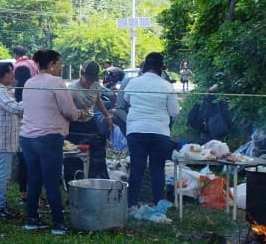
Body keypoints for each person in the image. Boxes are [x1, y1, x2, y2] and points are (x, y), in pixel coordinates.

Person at [20, 50, 86, 234]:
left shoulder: (29, 83)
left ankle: (32, 220)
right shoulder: (56, 82)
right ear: (50, 65)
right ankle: (58, 224)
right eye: (59, 64)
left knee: (34, 179)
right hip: (48, 137)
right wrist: (80, 113)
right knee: (51, 181)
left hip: (27, 138)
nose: (60, 67)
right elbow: (70, 112)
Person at [121, 52, 180, 215]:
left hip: (135, 130)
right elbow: (174, 112)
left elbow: (126, 100)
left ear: (145, 66)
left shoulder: (133, 82)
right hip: (159, 132)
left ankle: (131, 204)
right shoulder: (166, 86)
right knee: (157, 169)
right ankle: (158, 203)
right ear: (161, 68)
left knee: (137, 168)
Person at [0, 61, 25, 219]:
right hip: (1, 139)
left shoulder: (3, 90)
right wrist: (33, 100)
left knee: (4, 174)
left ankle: (0, 204)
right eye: (9, 72)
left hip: (5, 138)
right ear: (1, 75)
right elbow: (14, 108)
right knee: (2, 174)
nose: (12, 74)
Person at [66, 61, 111, 180]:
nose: (89, 83)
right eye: (87, 80)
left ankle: (96, 178)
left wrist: (107, 116)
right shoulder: (72, 89)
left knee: (98, 149)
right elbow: (66, 110)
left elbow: (98, 101)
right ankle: (76, 178)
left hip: (90, 123)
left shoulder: (95, 85)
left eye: (92, 80)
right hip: (75, 125)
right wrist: (76, 113)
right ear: (81, 74)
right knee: (75, 154)